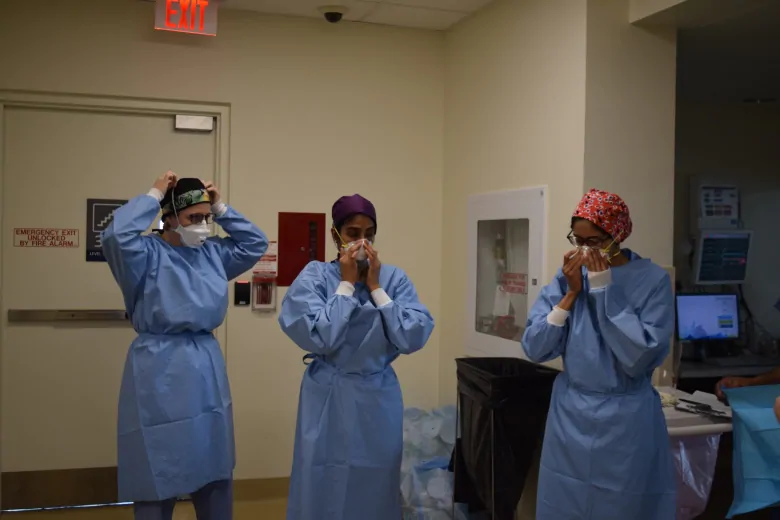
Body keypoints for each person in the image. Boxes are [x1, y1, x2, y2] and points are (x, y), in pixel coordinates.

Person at [102, 172, 268, 520]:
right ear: (170, 216)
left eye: (207, 218)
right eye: (195, 218)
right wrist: (153, 194)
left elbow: (255, 243)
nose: (203, 226)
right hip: (157, 370)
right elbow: (116, 235)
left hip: (205, 364)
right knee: (156, 465)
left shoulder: (212, 254)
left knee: (213, 461)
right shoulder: (144, 255)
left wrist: (222, 208)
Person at [522, 188, 676, 520]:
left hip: (625, 419)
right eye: (577, 239)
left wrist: (605, 288)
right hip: (571, 412)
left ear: (616, 235)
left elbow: (641, 356)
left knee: (621, 506)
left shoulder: (652, 281)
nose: (584, 249)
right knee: (565, 502)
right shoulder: (567, 280)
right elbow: (535, 346)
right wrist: (571, 294)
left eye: (593, 242)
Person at [278, 194, 435, 520]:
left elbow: (412, 336)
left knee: (376, 480)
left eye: (369, 232)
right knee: (322, 477)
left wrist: (376, 288)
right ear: (335, 235)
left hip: (377, 397)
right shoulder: (316, 278)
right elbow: (319, 335)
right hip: (328, 397)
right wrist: (347, 286)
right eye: (352, 232)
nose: (362, 241)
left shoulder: (394, 279)